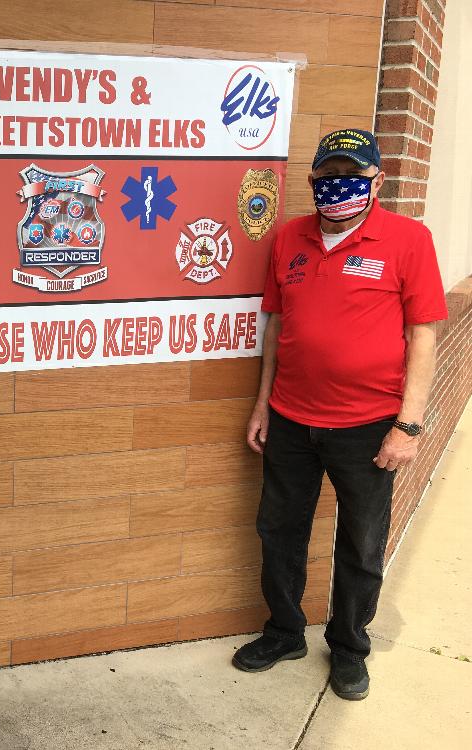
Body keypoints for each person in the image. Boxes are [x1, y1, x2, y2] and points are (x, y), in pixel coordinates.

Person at [234, 129, 448, 701]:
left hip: (370, 425)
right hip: (291, 418)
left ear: (377, 181)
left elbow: (422, 334)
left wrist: (409, 425)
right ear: (312, 182)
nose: (337, 187)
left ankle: (349, 646)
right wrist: (263, 404)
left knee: (361, 540)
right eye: (327, 177)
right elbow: (276, 327)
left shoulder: (407, 240)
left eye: (351, 175)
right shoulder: (288, 239)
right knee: (279, 529)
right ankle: (283, 632)